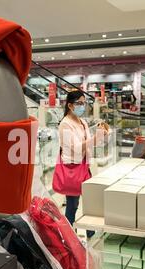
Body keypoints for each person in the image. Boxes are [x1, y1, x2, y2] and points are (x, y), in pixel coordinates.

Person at [57, 90, 108, 237]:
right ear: (70, 105)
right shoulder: (65, 124)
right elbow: (77, 147)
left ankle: (91, 234)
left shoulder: (82, 122)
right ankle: (69, 237)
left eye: (84, 103)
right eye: (79, 103)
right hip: (72, 168)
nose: (82, 106)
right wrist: (95, 138)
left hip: (85, 166)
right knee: (73, 205)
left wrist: (102, 135)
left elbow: (89, 144)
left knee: (90, 202)